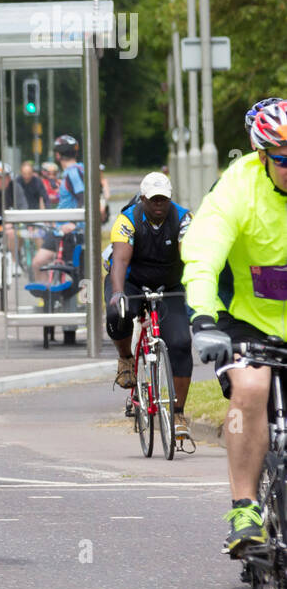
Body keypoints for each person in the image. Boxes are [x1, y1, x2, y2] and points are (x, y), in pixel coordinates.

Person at [183, 99, 287, 556]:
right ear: (262, 154)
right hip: (244, 319)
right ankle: (244, 508)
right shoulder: (238, 186)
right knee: (250, 388)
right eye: (282, 158)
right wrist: (203, 317)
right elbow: (204, 252)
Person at [105, 172, 193, 442]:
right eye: (153, 200)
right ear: (142, 199)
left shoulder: (183, 218)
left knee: (179, 343)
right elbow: (119, 261)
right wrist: (118, 292)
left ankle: (177, 413)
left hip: (169, 285)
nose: (158, 205)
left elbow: (189, 255)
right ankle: (126, 360)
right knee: (117, 314)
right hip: (131, 280)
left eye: (163, 200)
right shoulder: (127, 219)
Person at [31, 135, 85, 276]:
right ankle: (47, 298)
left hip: (69, 232)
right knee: (38, 262)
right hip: (58, 228)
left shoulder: (73, 172)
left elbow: (83, 197)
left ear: (58, 155)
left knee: (71, 275)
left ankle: (55, 297)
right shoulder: (73, 171)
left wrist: (73, 223)